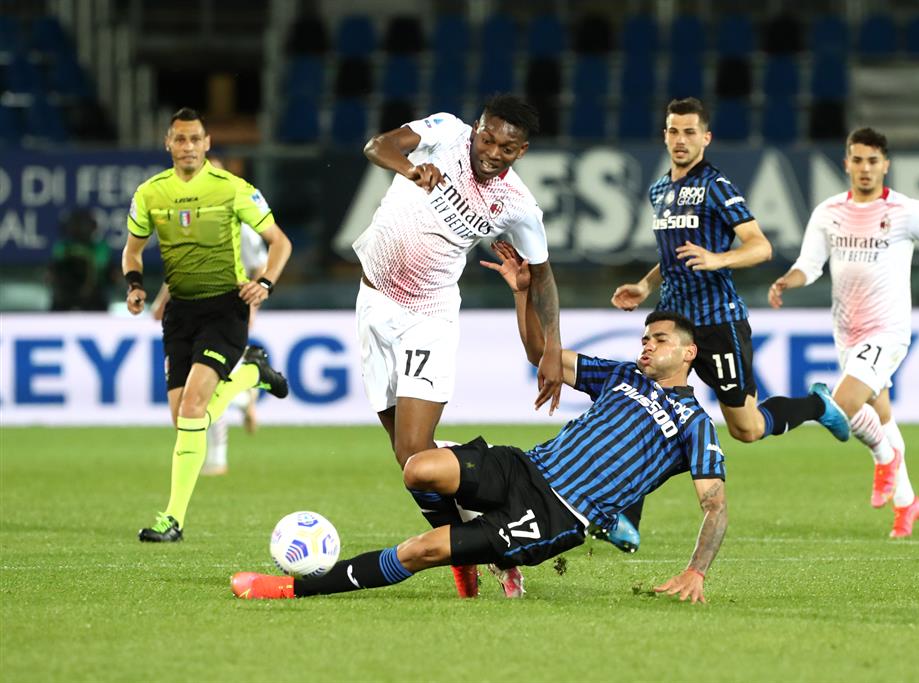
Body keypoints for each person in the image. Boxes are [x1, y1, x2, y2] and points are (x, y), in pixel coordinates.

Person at [231, 242, 728, 604]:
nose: (647, 345)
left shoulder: (695, 424)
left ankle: (291, 588)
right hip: (522, 467)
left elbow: (715, 505)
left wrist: (696, 571)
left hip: (555, 515)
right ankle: (469, 559)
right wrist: (522, 294)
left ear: (688, 353)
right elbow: (540, 354)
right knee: (417, 467)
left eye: (659, 340)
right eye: (644, 338)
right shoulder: (621, 375)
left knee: (421, 551)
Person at [608, 97, 850, 551]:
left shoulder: (716, 186)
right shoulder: (659, 190)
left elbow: (760, 246)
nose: (680, 140)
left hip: (718, 323)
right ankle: (625, 515)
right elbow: (673, 255)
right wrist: (644, 285)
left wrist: (718, 258)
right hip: (674, 323)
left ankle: (816, 406)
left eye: (689, 132)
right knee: (649, 409)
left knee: (748, 428)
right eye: (673, 131)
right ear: (664, 135)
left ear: (706, 137)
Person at [352, 94, 564, 597]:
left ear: (522, 151)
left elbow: (543, 277)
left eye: (507, 148)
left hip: (428, 316)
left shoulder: (518, 204)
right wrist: (411, 169)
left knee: (415, 454)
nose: (492, 152)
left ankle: (495, 519)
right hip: (372, 302)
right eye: (487, 139)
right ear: (475, 128)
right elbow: (377, 146)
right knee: (410, 461)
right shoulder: (444, 133)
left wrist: (554, 346)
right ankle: (468, 549)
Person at [768, 127, 919, 538]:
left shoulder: (907, 211)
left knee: (843, 404)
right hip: (847, 331)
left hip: (888, 330)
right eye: (857, 160)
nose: (864, 168)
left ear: (885, 165)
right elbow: (809, 266)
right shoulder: (828, 212)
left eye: (872, 161)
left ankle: (886, 459)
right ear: (846, 163)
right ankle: (907, 502)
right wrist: (787, 281)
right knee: (881, 416)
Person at [124, 108, 293, 542]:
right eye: (180, 139)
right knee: (185, 422)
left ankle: (172, 520)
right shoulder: (150, 193)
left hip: (225, 310)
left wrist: (266, 283)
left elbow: (280, 242)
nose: (188, 147)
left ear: (207, 143)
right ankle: (251, 374)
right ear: (168, 143)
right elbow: (132, 250)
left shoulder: (233, 188)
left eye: (195, 139)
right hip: (180, 314)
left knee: (194, 410)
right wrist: (135, 285)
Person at [150, 156, 267, 476]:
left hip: (226, 312)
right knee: (196, 398)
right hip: (190, 312)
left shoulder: (240, 220)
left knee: (204, 390)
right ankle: (245, 394)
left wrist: (252, 302)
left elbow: (261, 264)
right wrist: (161, 302)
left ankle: (218, 457)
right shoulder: (186, 218)